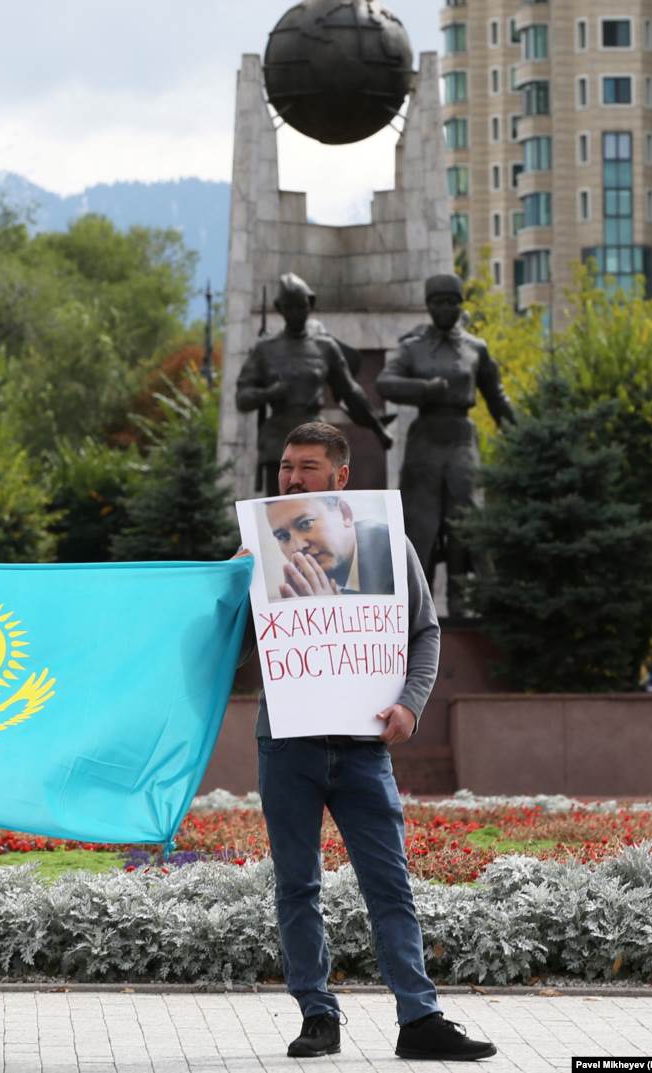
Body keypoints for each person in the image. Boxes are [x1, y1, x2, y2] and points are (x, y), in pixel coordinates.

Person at [245, 422, 496, 1061]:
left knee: (389, 885)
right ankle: (317, 1016)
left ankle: (419, 1020)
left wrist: (410, 704)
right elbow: (229, 632)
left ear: (341, 479)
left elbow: (426, 632)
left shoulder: (388, 545)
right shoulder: (259, 553)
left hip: (362, 747)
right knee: (297, 885)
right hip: (289, 742)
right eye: (284, 468)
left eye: (306, 467)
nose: (292, 479)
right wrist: (237, 581)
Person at [376, 273, 517, 617]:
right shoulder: (413, 347)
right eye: (438, 302)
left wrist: (520, 433)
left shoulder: (475, 348)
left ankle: (461, 601)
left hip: (461, 436)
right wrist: (423, 389)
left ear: (460, 305)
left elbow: (495, 396)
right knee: (421, 523)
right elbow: (385, 382)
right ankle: (415, 606)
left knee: (464, 517)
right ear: (428, 306)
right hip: (425, 438)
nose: (445, 309)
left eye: (452, 302)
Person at [236, 273, 394, 494]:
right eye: (290, 307)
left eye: (301, 306)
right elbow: (242, 398)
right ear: (279, 308)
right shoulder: (265, 349)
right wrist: (268, 394)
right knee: (280, 513)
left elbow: (350, 391)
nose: (296, 313)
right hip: (278, 443)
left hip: (315, 438)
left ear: (310, 305)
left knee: (319, 508)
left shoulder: (325, 347)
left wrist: (378, 429)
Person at [264, 495, 394, 601]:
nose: (298, 546)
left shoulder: (393, 550)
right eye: (282, 536)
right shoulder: (303, 592)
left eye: (306, 523)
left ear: (345, 514)